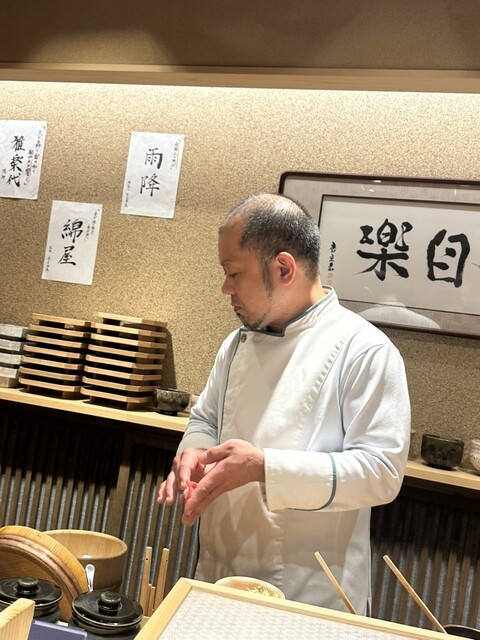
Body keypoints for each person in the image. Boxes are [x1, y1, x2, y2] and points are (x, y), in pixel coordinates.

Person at [158, 192, 411, 615]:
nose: (225, 288)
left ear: (283, 268)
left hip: (311, 593)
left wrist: (264, 467)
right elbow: (205, 419)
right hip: (220, 574)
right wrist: (193, 452)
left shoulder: (365, 349)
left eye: (233, 273)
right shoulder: (236, 343)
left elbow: (382, 472)